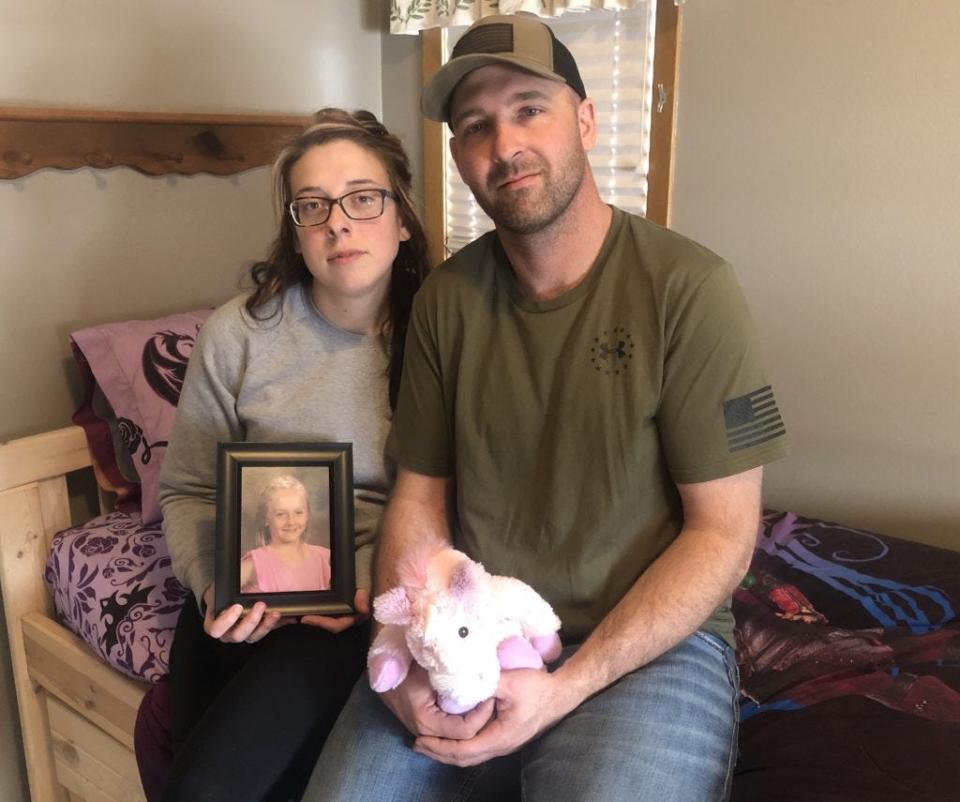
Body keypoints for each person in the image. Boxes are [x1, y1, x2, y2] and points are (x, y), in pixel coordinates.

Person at [304, 14, 790, 802]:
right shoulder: (445, 303)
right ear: (459, 156)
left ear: (587, 119)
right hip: (476, 626)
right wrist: (399, 647)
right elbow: (419, 498)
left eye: (530, 108)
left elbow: (725, 536)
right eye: (475, 127)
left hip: (646, 647)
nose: (505, 145)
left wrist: (564, 690)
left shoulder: (691, 291)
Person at [156, 108, 428, 802]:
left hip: (362, 603)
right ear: (296, 232)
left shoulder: (444, 338)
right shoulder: (238, 334)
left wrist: (368, 587)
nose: (338, 222)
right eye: (313, 206)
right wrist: (213, 582)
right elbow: (188, 490)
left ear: (402, 218)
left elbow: (464, 506)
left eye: (363, 199)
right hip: (240, 591)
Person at [241, 475, 332, 594]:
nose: (291, 521)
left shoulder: (324, 558)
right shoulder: (253, 564)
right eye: (280, 514)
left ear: (308, 515)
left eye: (298, 512)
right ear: (266, 518)